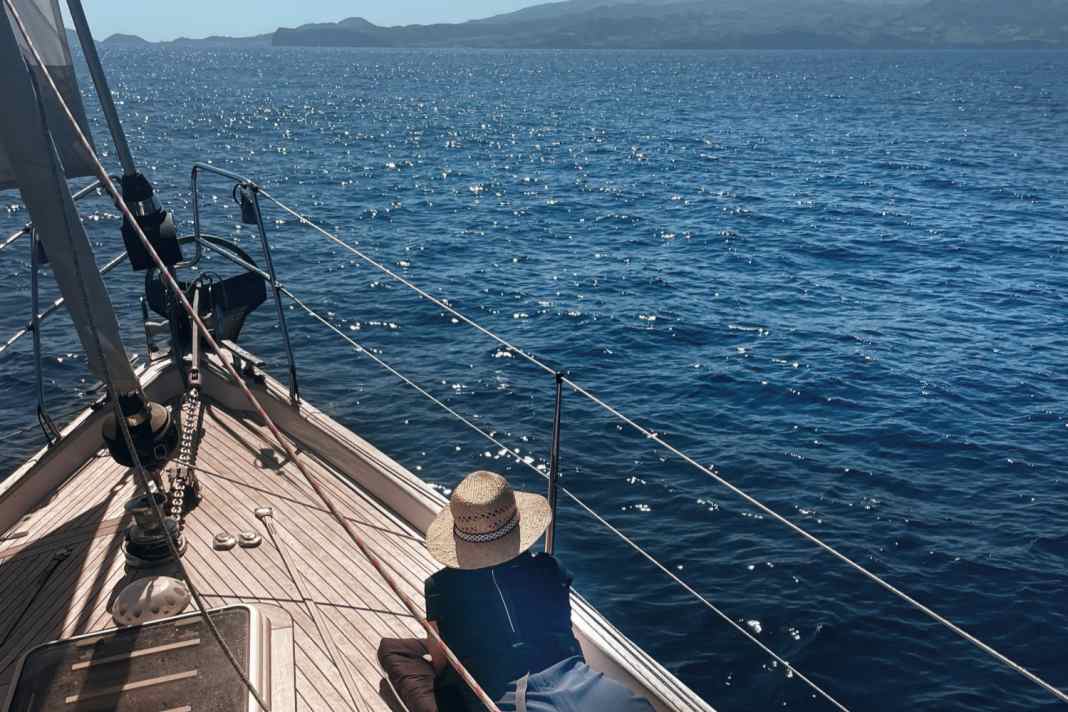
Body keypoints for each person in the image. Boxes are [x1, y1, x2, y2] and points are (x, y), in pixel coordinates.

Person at [379, 470, 654, 712]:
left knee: (394, 651)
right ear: (518, 526)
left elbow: (441, 665)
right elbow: (564, 635)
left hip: (507, 700)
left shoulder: (441, 587)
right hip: (596, 693)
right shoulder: (550, 568)